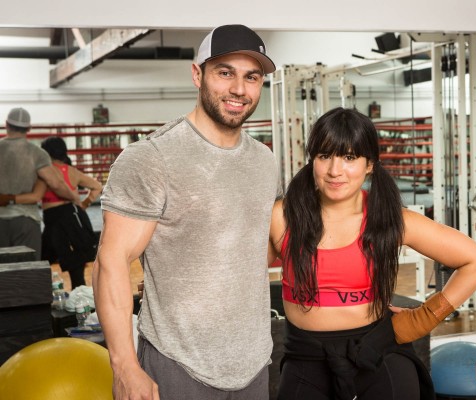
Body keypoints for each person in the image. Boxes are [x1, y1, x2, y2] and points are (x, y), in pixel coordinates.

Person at [93, 24, 279, 400]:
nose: (239, 90)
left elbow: (260, 247)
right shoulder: (152, 158)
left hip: (254, 362)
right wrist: (126, 367)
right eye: (225, 73)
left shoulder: (265, 161)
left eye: (251, 77)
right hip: (178, 364)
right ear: (197, 74)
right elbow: (109, 262)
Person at [268, 107, 476, 400]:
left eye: (349, 158)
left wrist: (423, 319)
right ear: (313, 160)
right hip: (306, 357)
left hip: (376, 351)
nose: (335, 170)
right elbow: (240, 278)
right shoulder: (283, 216)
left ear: (370, 164)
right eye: (325, 156)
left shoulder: (391, 218)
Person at [0, 107, 82, 259]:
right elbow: (56, 183)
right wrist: (74, 198)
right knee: (28, 273)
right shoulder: (37, 153)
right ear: (29, 128)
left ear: (6, 124)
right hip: (26, 219)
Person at [37, 136, 102, 288]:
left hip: (55, 217)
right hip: (71, 215)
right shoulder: (71, 171)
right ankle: (79, 301)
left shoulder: (45, 171)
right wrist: (84, 205)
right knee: (75, 265)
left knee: (43, 260)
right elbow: (97, 186)